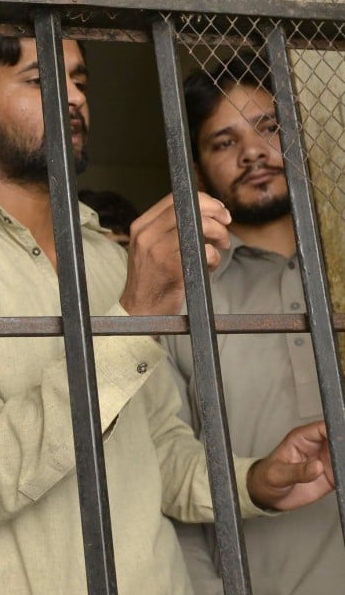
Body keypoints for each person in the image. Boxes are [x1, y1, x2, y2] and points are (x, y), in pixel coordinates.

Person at [0, 34, 335, 594]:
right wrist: (131, 317)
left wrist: (255, 481)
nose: (72, 97)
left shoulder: (110, 259)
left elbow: (159, 456)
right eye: (40, 81)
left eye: (78, 80)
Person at [163, 53, 345, 594]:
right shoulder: (181, 306)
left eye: (270, 128)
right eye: (224, 142)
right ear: (195, 169)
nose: (253, 153)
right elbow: (165, 473)